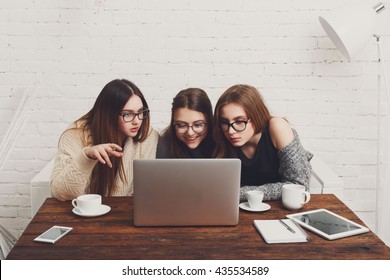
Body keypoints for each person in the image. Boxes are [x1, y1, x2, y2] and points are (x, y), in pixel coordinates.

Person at [50, 79, 159, 201]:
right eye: (127, 114)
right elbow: (62, 194)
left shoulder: (148, 136)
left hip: (125, 213)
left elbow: (144, 191)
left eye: (140, 112)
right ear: (109, 114)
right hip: (83, 215)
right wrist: (87, 157)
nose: (137, 121)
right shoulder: (75, 135)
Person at [213, 84, 313, 201]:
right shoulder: (220, 134)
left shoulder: (277, 127)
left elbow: (298, 186)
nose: (230, 131)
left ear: (256, 116)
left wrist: (238, 193)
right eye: (224, 122)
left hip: (278, 207)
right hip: (239, 208)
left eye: (239, 121)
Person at [156, 88, 215, 158]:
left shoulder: (221, 140)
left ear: (209, 121)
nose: (190, 133)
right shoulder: (166, 143)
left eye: (198, 125)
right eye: (182, 125)